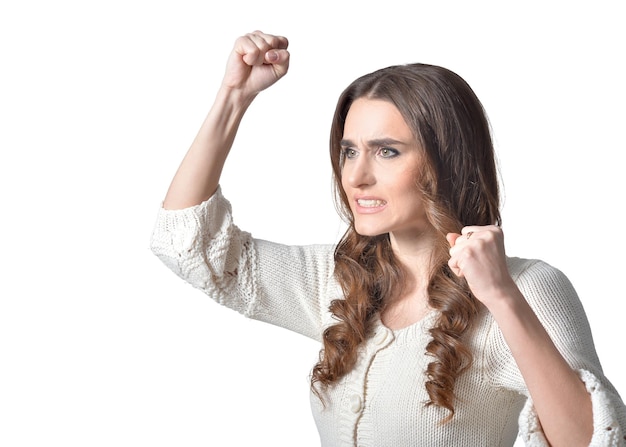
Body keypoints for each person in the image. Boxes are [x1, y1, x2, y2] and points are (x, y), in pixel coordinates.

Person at [150, 31, 626, 446]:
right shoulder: (334, 280)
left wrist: (501, 296)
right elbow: (186, 244)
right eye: (349, 151)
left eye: (388, 152)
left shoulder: (529, 286)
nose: (356, 177)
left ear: (447, 160)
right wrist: (233, 97)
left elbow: (592, 440)